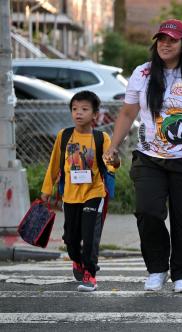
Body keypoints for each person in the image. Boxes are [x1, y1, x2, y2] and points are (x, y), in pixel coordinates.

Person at [103, 19, 182, 293]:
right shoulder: (142, 73)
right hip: (148, 157)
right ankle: (157, 268)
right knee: (148, 211)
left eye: (172, 40)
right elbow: (128, 113)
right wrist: (113, 145)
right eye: (161, 40)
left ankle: (181, 274)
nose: (165, 45)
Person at [40, 90, 120, 292]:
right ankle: (77, 260)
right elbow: (54, 165)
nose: (78, 113)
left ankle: (90, 274)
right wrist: (46, 190)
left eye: (84, 109)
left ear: (94, 115)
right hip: (70, 195)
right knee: (71, 238)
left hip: (94, 193)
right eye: (75, 109)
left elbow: (111, 165)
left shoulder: (101, 138)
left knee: (90, 236)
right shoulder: (64, 136)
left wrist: (115, 160)